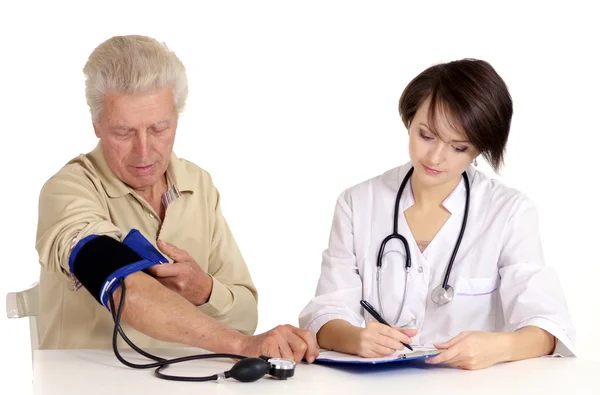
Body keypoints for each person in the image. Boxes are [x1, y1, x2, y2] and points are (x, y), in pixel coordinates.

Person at [35, 34, 319, 364]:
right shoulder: (67, 190)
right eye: (124, 132)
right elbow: (119, 284)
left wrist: (205, 292)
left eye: (159, 128)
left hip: (186, 380)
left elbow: (245, 316)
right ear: (96, 125)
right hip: (86, 383)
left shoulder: (197, 184)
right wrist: (241, 346)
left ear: (177, 117)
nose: (144, 151)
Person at [298, 58, 575, 370]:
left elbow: (550, 326)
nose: (435, 157)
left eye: (459, 148)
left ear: (479, 149)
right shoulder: (358, 203)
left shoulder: (509, 211)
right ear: (409, 119)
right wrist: (354, 338)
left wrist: (500, 346)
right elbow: (326, 312)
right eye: (426, 135)